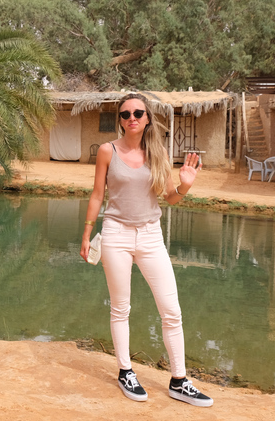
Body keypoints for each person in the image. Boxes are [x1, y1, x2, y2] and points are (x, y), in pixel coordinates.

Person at [80, 93, 213, 408]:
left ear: (147, 117)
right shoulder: (106, 151)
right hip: (116, 235)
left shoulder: (158, 153)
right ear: (120, 120)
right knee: (120, 307)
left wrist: (185, 185)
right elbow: (98, 194)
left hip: (151, 236)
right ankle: (126, 371)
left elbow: (170, 197)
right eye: (125, 114)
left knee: (171, 309)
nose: (132, 118)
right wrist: (86, 233)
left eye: (138, 112)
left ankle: (179, 380)